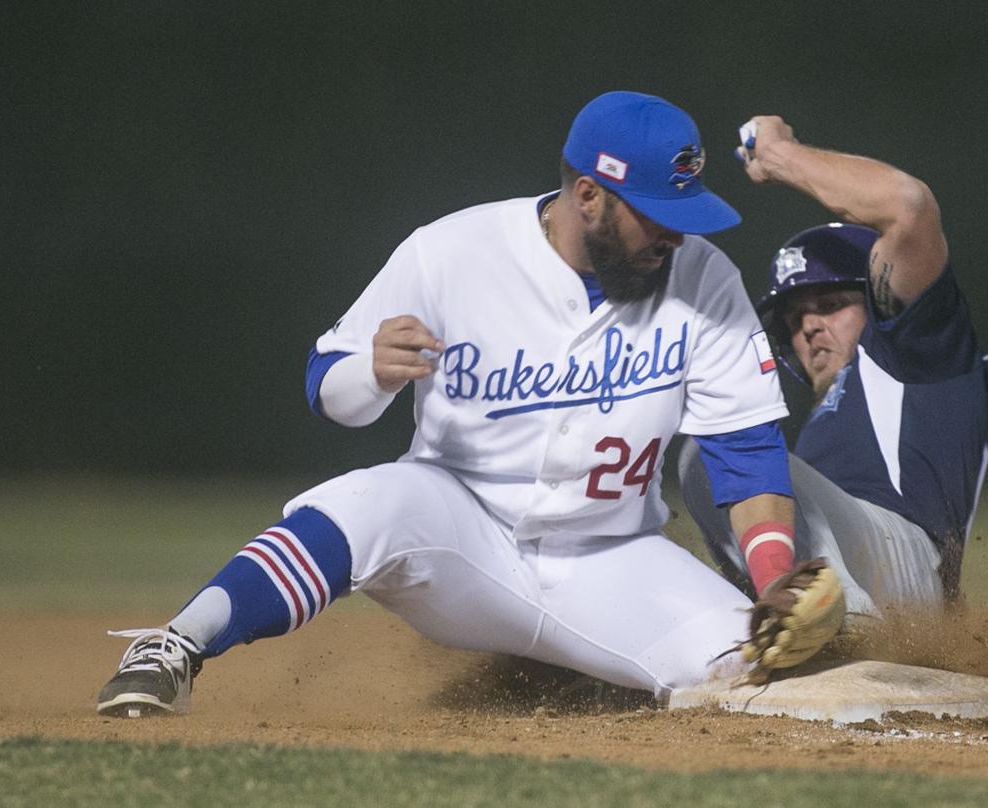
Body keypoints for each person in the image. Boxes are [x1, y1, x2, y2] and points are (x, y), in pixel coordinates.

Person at [97, 92, 844, 718]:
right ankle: (176, 644)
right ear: (588, 194)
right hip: (460, 533)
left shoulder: (703, 279)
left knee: (748, 668)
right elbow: (328, 389)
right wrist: (371, 373)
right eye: (654, 214)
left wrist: (773, 572)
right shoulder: (452, 252)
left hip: (613, 555)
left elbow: (743, 448)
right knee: (368, 502)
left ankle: (586, 676)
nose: (675, 236)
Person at [680, 115, 988, 620]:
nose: (809, 326)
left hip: (902, 562)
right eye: (796, 316)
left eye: (829, 303)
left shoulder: (913, 351)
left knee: (716, 451)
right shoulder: (821, 435)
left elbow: (908, 208)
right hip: (865, 567)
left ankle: (842, 624)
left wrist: (783, 155)